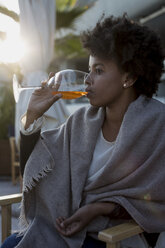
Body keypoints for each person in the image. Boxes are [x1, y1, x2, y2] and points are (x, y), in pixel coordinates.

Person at [1, 14, 165, 248]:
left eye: (98, 70)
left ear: (128, 77)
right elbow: (38, 168)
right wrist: (33, 115)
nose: (87, 80)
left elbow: (157, 197)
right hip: (65, 227)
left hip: (115, 236)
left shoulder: (157, 124)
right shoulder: (81, 122)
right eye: (89, 70)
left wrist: (100, 208)